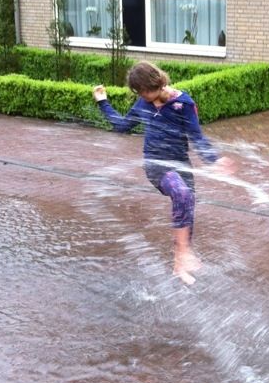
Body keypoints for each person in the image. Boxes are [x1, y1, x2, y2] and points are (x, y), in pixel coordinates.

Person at [92, 61, 232, 285]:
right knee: (182, 194)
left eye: (145, 91)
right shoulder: (143, 103)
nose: (143, 96)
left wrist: (214, 160)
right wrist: (103, 102)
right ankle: (184, 255)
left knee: (187, 206)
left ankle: (179, 265)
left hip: (181, 164)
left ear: (156, 83)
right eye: (139, 92)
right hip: (155, 164)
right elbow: (122, 125)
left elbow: (197, 137)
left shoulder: (183, 103)